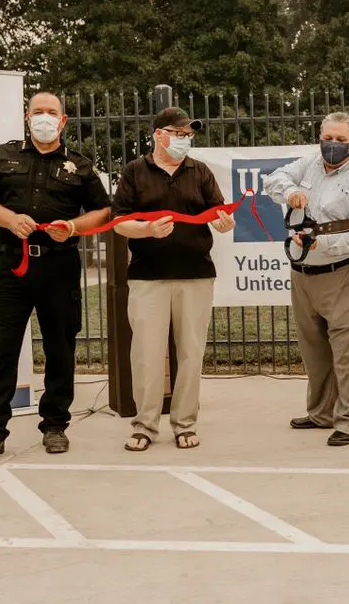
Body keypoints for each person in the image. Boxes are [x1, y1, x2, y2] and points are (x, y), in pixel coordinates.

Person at [0, 91, 112, 464]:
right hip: (11, 266)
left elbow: (104, 212)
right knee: (0, 351)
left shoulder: (79, 166)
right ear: (27, 118)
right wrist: (9, 219)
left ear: (63, 121)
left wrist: (75, 227)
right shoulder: (4, 154)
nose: (45, 118)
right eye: (38, 112)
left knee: (60, 349)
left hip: (58, 266)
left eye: (52, 113)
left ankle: (54, 426)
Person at [112, 107, 234, 452]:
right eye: (178, 133)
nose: (184, 140)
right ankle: (145, 425)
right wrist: (147, 229)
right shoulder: (135, 172)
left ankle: (184, 423)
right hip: (148, 276)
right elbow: (119, 221)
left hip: (195, 273)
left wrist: (225, 222)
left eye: (188, 135)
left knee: (191, 353)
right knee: (147, 354)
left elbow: (219, 212)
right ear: (158, 134)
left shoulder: (200, 171)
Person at [264, 112, 349, 447]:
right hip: (304, 273)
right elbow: (273, 180)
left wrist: (322, 242)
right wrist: (289, 192)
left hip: (347, 272)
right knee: (315, 349)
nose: (332, 144)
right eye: (327, 137)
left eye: (340, 140)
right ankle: (322, 412)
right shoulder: (308, 166)